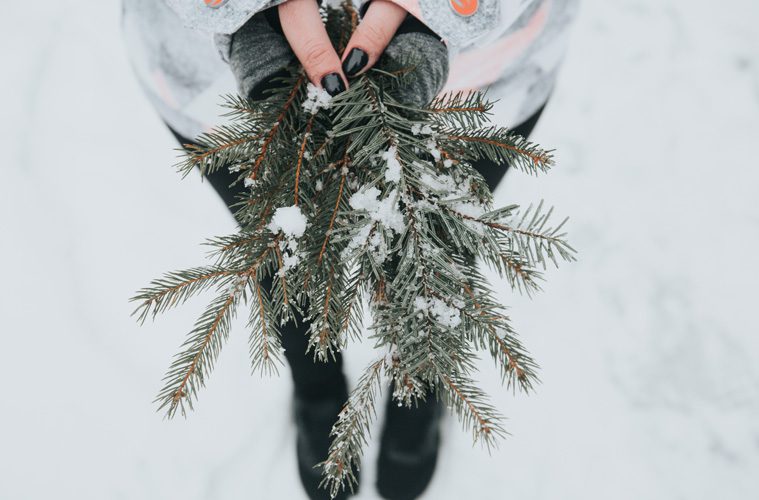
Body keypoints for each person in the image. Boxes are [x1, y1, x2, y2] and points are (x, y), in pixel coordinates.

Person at [122, 1, 578, 498]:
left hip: (484, 76)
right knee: (283, 240)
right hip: (210, 76)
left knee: (436, 245)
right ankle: (317, 389)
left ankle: (417, 383)